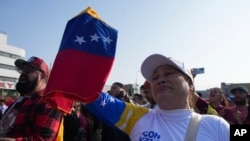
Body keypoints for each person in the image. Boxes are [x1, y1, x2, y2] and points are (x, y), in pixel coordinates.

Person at [85, 53, 229, 141]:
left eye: (168, 73)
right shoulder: (137, 116)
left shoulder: (217, 125)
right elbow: (86, 92)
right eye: (155, 77)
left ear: (190, 84)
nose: (160, 79)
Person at [0, 56, 63, 140]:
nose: (23, 73)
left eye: (29, 70)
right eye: (22, 70)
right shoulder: (20, 100)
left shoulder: (48, 103)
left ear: (43, 77)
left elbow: (42, 139)